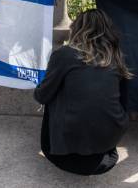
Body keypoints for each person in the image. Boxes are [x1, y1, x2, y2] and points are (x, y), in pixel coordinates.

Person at [34, 9, 130, 176]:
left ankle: (68, 140)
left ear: (77, 28)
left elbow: (42, 96)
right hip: (107, 150)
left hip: (62, 157)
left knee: (53, 93)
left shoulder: (64, 54)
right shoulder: (116, 57)